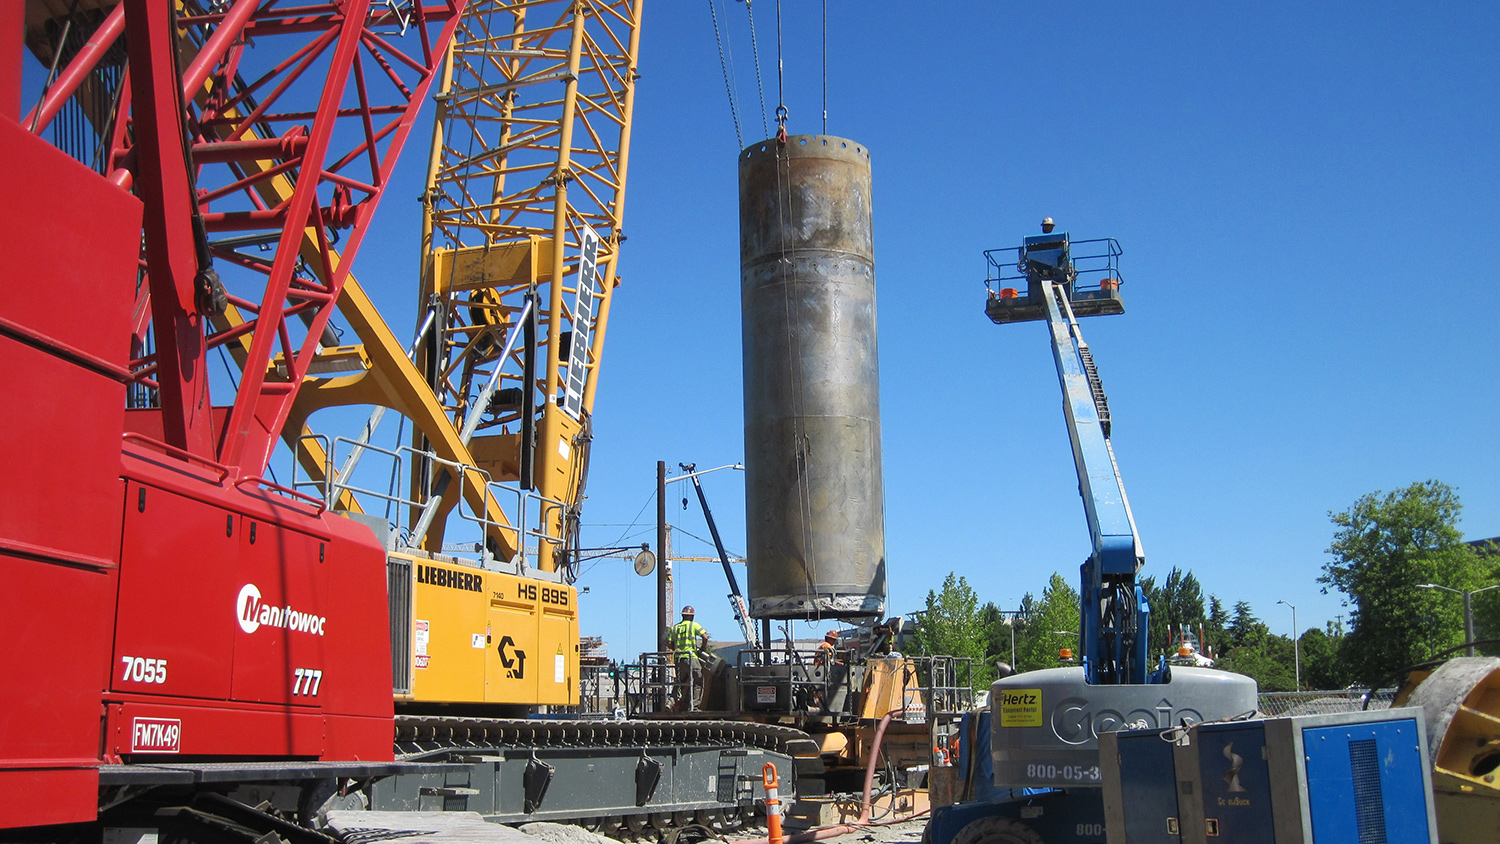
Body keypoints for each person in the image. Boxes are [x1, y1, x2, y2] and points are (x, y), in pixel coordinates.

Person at [668, 606, 709, 709]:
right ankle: (694, 706)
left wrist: (676, 648)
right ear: (692, 616)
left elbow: (669, 643)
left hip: (678, 659)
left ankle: (670, 702)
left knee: (679, 682)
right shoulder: (694, 625)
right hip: (691, 658)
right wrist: (702, 649)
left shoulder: (675, 628)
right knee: (698, 680)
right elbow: (705, 637)